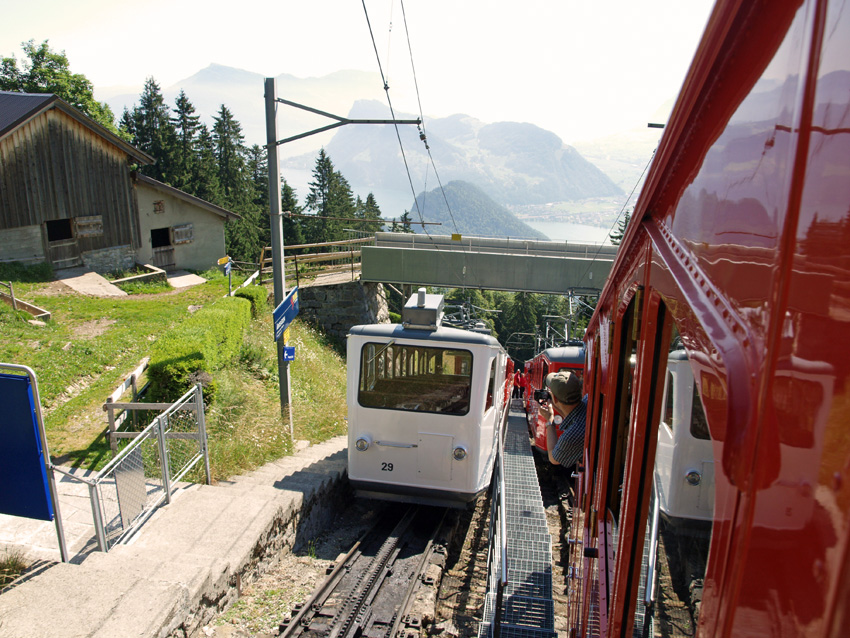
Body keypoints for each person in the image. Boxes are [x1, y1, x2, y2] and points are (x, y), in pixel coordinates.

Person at [538, 370, 587, 467]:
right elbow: (573, 415)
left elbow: (553, 458)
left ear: (555, 398)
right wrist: (555, 405)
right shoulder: (588, 399)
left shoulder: (570, 436)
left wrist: (550, 421)